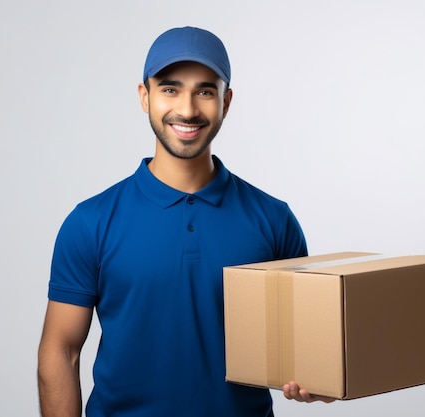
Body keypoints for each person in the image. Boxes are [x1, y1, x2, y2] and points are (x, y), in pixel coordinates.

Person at [37, 26, 332, 417]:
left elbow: (307, 350)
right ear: (145, 96)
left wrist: (321, 381)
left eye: (205, 91)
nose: (188, 109)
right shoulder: (91, 222)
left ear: (226, 100)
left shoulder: (274, 220)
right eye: (170, 89)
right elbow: (61, 351)